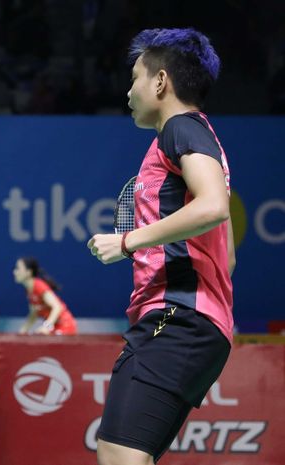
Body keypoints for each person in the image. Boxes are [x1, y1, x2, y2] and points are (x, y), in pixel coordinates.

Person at [87, 28, 235, 465]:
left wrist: (128, 242)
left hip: (178, 316)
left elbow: (213, 207)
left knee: (119, 454)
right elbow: (227, 256)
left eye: (135, 77)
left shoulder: (180, 129)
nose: (127, 90)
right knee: (129, 454)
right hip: (196, 321)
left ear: (160, 82)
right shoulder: (195, 137)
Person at [13, 257, 77, 335]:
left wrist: (46, 327)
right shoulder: (29, 290)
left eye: (18, 268)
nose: (14, 272)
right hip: (54, 328)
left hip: (65, 326)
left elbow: (57, 306)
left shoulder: (39, 286)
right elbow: (34, 314)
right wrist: (23, 331)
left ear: (28, 272)